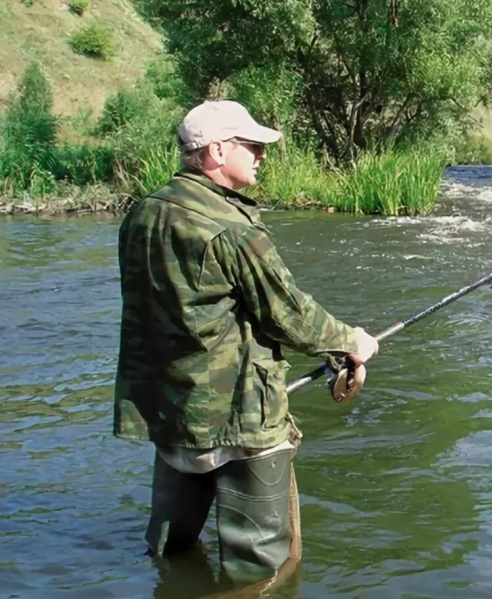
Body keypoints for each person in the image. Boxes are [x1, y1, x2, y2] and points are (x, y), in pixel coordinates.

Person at [113, 100, 379, 584]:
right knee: (263, 568)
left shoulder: (143, 214)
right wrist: (352, 343)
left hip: (171, 411)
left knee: (171, 551)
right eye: (252, 146)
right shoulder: (233, 229)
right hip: (240, 419)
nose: (261, 155)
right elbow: (289, 315)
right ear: (217, 151)